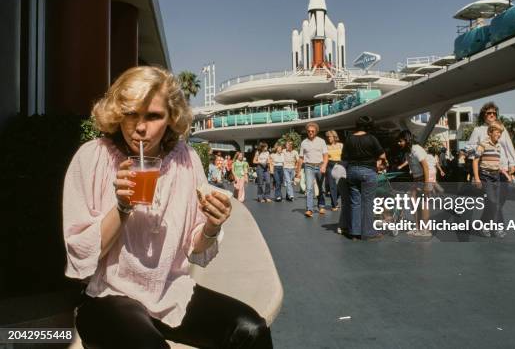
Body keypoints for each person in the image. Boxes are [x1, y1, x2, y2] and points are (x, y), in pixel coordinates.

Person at [63, 66, 272, 348]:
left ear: (171, 118)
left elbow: (195, 249)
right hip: (106, 296)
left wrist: (212, 225)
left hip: (168, 290)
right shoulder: (92, 157)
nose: (139, 127)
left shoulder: (185, 159)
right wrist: (122, 208)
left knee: (251, 330)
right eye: (130, 114)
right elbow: (81, 254)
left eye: (153, 116)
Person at [341, 116, 386, 240]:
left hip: (352, 171)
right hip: (368, 171)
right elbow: (382, 155)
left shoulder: (349, 139)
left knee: (355, 202)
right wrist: (382, 162)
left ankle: (354, 233)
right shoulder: (371, 138)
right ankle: (368, 232)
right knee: (367, 203)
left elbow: (344, 158)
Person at [472, 121, 509, 238]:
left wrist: (506, 174)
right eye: (497, 132)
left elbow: (496, 163)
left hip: (496, 176)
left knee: (495, 204)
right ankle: (488, 227)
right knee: (492, 202)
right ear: (490, 132)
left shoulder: (498, 146)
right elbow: (475, 160)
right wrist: (477, 178)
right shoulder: (483, 144)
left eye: (500, 132)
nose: (499, 134)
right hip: (485, 176)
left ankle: (487, 227)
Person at [396, 130, 431, 237]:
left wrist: (426, 183)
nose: (399, 143)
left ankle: (425, 230)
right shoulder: (408, 152)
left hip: (424, 177)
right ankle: (417, 228)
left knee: (423, 203)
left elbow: (425, 166)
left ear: (406, 140)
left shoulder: (416, 149)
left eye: (400, 141)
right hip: (417, 178)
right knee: (414, 201)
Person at [296, 122, 328, 217]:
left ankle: (321, 206)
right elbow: (301, 158)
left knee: (321, 188)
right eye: (309, 131)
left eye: (312, 131)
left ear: (316, 131)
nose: (310, 132)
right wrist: (298, 172)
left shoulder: (321, 141)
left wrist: (324, 166)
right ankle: (309, 209)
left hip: (320, 165)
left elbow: (325, 155)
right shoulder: (304, 143)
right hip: (308, 166)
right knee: (309, 188)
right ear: (307, 131)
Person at [325, 130, 343, 211]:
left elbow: (344, 156)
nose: (328, 138)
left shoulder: (341, 145)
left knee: (340, 186)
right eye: (327, 137)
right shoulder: (326, 146)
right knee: (332, 186)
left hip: (339, 165)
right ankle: (334, 204)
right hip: (330, 165)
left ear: (334, 137)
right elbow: (324, 158)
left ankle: (335, 200)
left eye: (330, 136)